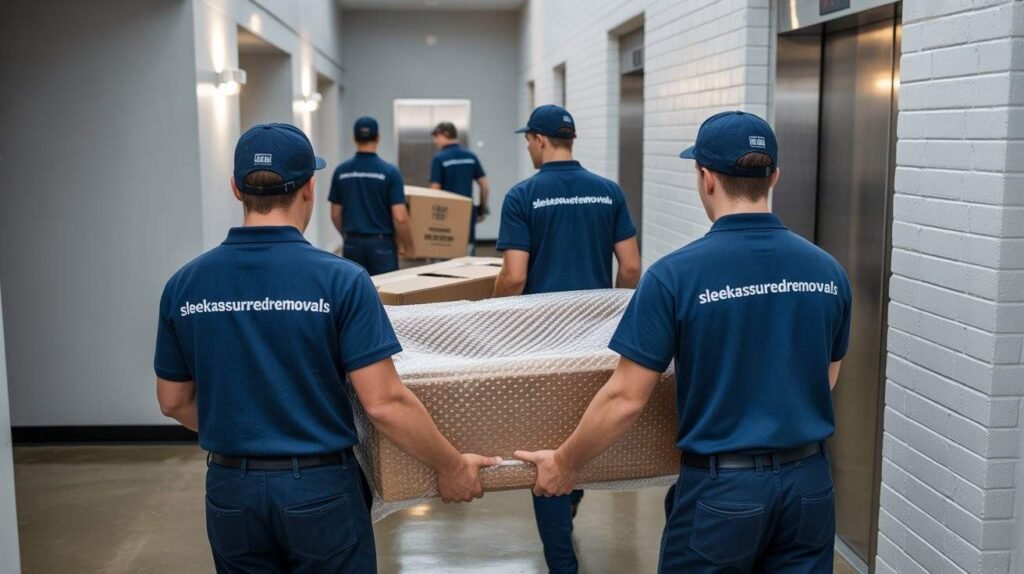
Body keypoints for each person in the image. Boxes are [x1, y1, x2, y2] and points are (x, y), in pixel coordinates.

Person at [516, 111, 852, 573]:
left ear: (706, 177)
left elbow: (625, 399)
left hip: (723, 489)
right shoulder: (828, 271)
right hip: (810, 487)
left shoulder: (676, 276)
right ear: (773, 176)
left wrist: (566, 462)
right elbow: (825, 378)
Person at [154, 123, 499, 573]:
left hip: (230, 491)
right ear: (309, 188)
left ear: (236, 188)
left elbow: (173, 401)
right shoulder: (341, 280)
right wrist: (451, 466)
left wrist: (245, 430)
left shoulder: (184, 284)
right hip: (318, 488)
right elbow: (384, 403)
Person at [494, 104, 642, 574]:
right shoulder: (608, 192)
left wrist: (496, 318)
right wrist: (610, 312)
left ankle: (562, 563)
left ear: (539, 140)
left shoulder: (523, 195)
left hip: (542, 344)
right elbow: (632, 267)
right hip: (595, 340)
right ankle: (571, 500)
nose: (528, 147)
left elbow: (514, 276)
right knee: (583, 431)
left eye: (528, 140)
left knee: (548, 444)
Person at [329, 116, 413, 275]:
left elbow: (335, 214)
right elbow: (400, 217)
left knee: (355, 288)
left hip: (352, 244)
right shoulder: (390, 172)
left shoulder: (341, 172)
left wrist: (348, 236)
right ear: (378, 138)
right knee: (385, 289)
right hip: (382, 245)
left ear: (354, 138)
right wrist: (408, 246)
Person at [429, 121, 490, 254]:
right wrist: (482, 209)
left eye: (437, 137)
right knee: (468, 252)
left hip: (446, 216)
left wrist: (431, 218)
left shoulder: (439, 158)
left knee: (445, 255)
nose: (435, 141)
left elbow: (435, 190)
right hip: (467, 212)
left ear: (444, 134)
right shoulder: (471, 156)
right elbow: (485, 185)